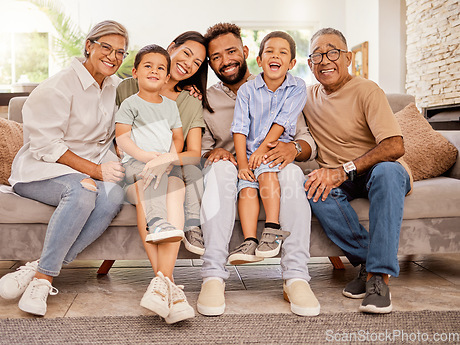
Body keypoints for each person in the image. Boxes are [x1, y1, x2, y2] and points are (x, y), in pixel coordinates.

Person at [0, 20, 129, 316]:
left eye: (120, 52)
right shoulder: (58, 86)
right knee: (82, 192)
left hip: (91, 167)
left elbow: (147, 96)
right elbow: (47, 147)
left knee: (114, 198)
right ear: (88, 46)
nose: (113, 56)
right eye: (105, 47)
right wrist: (94, 172)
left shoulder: (116, 87)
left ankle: (35, 267)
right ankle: (43, 281)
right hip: (41, 169)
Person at [197, 23, 320, 317]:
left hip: (274, 162)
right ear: (210, 63)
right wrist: (213, 152)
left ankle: (296, 277)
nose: (225, 60)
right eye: (216, 57)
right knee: (223, 170)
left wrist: (294, 149)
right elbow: (199, 148)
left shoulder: (285, 87)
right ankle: (213, 275)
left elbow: (306, 140)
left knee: (290, 173)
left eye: (231, 51)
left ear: (247, 53)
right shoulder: (205, 98)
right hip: (233, 166)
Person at [303, 28, 412, 314]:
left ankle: (378, 278)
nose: (324, 60)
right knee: (312, 187)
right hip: (341, 178)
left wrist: (345, 169)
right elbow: (265, 93)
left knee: (387, 173)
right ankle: (370, 261)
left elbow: (394, 146)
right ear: (309, 63)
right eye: (316, 54)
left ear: (348, 57)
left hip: (379, 171)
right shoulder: (305, 97)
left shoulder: (367, 90)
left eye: (332, 52)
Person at [115, 31, 210, 323]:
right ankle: (169, 285)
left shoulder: (187, 103)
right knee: (149, 190)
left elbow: (191, 151)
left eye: (197, 62)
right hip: (133, 172)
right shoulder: (128, 88)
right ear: (172, 49)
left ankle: (162, 285)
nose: (189, 64)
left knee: (175, 187)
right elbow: (121, 137)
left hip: (167, 172)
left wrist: (166, 158)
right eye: (185, 54)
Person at [229, 31, 305, 265]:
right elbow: (239, 128)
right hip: (250, 152)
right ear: (259, 59)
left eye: (283, 53)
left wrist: (262, 151)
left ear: (291, 63)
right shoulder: (247, 90)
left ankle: (273, 229)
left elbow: (282, 121)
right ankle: (250, 240)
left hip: (274, 150)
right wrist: (242, 164)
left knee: (266, 171)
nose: (275, 56)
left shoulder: (297, 87)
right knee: (246, 188)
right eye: (269, 51)